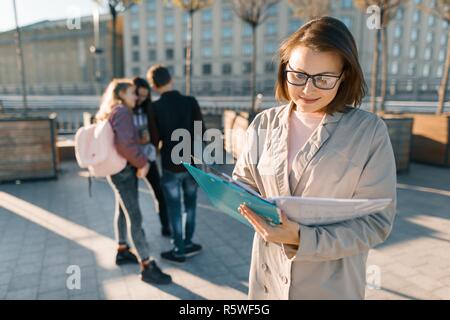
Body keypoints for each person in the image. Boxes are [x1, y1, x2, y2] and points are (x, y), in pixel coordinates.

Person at [232, 17, 397, 299]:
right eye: (298, 75)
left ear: (344, 76)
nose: (307, 90)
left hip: (330, 287)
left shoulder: (369, 132)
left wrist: (300, 238)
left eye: (323, 79)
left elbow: (376, 223)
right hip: (268, 281)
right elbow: (243, 181)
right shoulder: (264, 123)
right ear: (285, 69)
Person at [96, 78, 172, 285]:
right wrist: (142, 163)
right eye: (131, 92)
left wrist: (137, 143)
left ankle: (122, 250)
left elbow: (122, 140)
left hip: (117, 169)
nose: (136, 96)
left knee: (122, 210)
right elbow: (123, 144)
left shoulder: (112, 110)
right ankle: (147, 265)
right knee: (135, 217)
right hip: (124, 171)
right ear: (121, 94)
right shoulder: (121, 111)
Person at [146, 65, 205, 263]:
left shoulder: (154, 108)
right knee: (190, 206)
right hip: (192, 164)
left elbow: (155, 141)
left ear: (154, 86)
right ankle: (188, 243)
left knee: (174, 209)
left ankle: (178, 249)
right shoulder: (190, 102)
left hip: (171, 165)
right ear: (171, 79)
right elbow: (200, 133)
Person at [132, 77, 171, 238]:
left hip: (148, 157)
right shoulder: (126, 109)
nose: (141, 99)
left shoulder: (150, 108)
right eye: (138, 95)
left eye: (145, 96)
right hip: (131, 159)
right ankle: (135, 233)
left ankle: (166, 227)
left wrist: (152, 144)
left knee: (160, 193)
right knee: (131, 199)